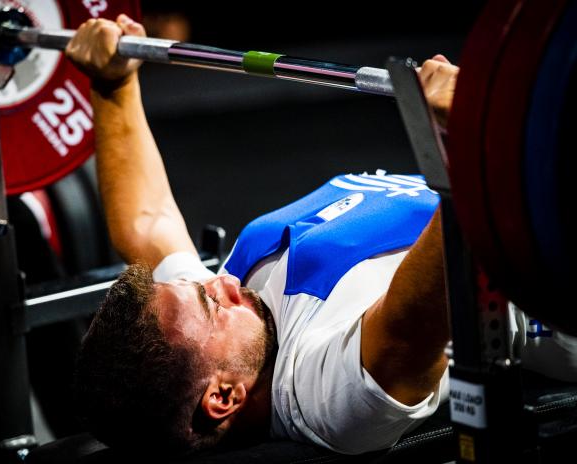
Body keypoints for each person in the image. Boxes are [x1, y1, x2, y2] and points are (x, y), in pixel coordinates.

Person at [64, 14, 577, 457]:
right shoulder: (323, 393)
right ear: (223, 397)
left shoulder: (224, 324)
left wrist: (114, 86)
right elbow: (425, 306)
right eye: (210, 305)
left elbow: (148, 221)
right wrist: (467, 140)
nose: (215, 280)